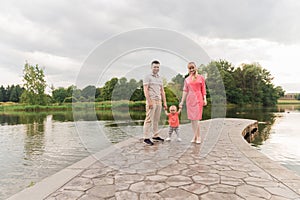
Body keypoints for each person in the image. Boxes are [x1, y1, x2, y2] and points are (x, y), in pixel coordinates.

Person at [179, 62, 207, 144]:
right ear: (188, 69)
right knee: (192, 120)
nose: (191, 70)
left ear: (195, 68)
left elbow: (203, 89)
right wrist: (182, 102)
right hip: (190, 99)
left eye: (192, 68)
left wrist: (204, 99)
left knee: (197, 119)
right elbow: (185, 91)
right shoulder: (187, 79)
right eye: (190, 68)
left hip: (198, 99)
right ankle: (195, 136)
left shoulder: (201, 78)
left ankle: (198, 136)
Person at [143, 60, 168, 145]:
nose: (156, 68)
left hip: (159, 100)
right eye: (155, 67)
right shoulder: (147, 77)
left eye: (157, 67)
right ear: (151, 67)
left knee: (156, 119)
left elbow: (162, 91)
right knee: (149, 119)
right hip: (152, 100)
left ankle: (155, 135)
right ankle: (146, 138)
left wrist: (164, 102)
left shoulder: (160, 78)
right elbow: (145, 90)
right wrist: (149, 101)